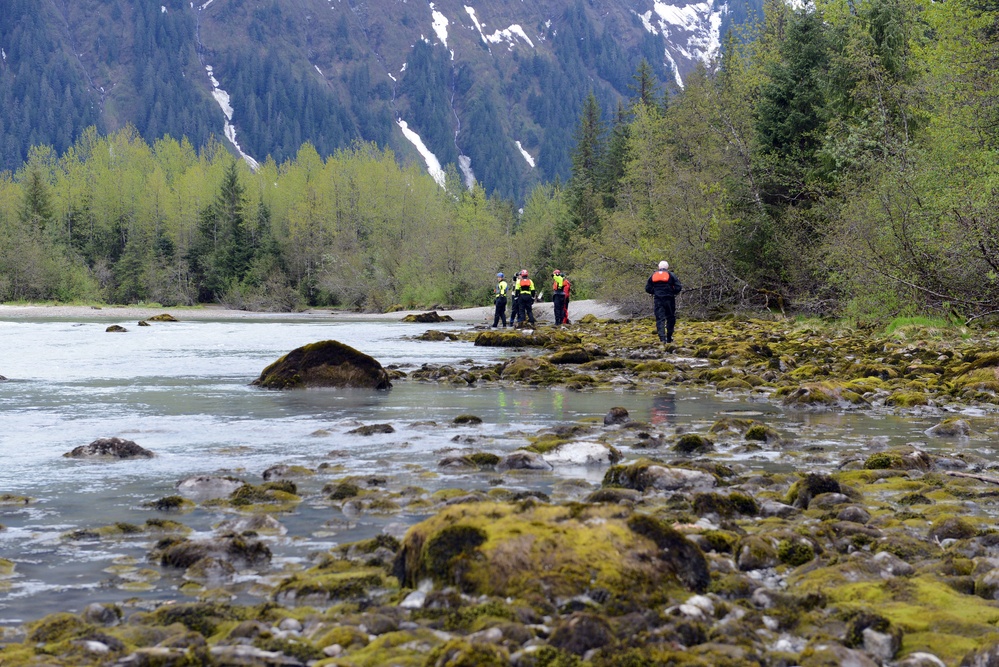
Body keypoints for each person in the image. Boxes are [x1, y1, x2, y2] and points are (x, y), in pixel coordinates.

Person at [645, 260, 682, 343]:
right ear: (667, 267)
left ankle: (662, 338)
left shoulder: (653, 276)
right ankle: (669, 337)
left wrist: (655, 292)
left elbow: (647, 288)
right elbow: (678, 287)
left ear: (658, 267)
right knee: (671, 317)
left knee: (660, 319)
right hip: (669, 299)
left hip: (658, 300)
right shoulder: (671, 275)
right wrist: (673, 292)